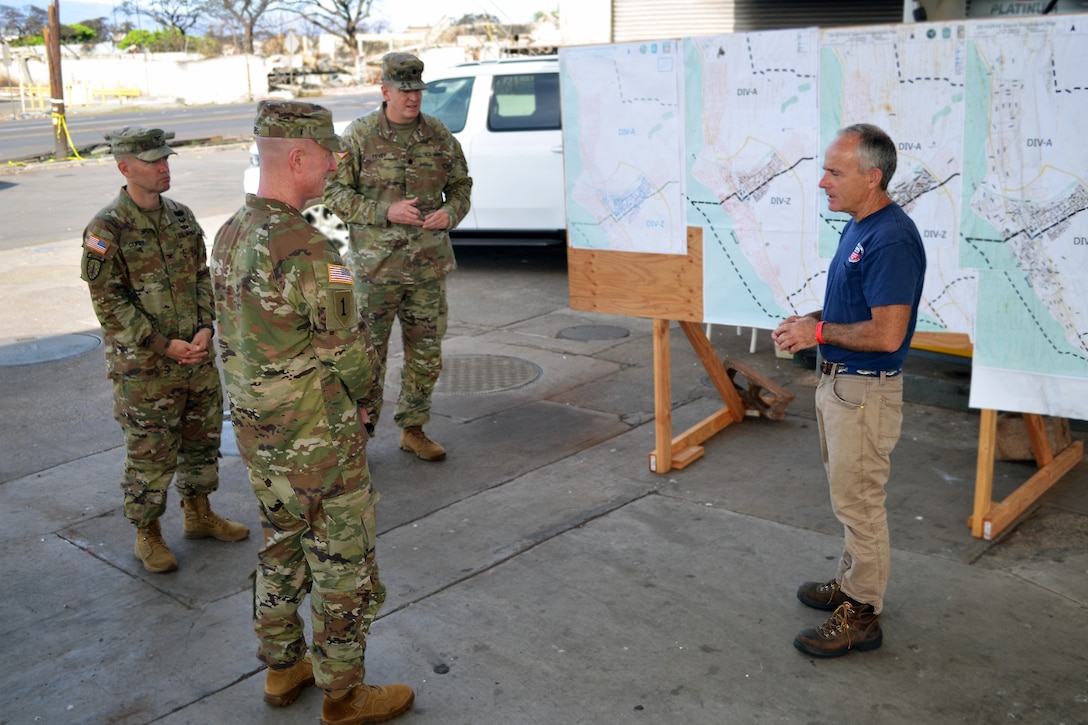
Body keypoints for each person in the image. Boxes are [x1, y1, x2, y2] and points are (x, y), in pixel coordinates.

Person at [211, 100, 413, 725]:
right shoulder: (306, 245)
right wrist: (362, 409)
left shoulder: (231, 231)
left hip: (256, 433)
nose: (333, 167)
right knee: (342, 560)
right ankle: (344, 694)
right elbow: (348, 351)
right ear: (297, 157)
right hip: (316, 437)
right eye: (327, 156)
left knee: (281, 546)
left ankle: (281, 666)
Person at [771, 123, 926, 658]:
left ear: (873, 176)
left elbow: (886, 334)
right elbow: (856, 309)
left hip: (864, 392)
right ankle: (851, 586)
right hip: (842, 387)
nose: (822, 183)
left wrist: (816, 333)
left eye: (835, 172)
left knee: (860, 505)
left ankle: (862, 615)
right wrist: (812, 319)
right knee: (848, 500)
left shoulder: (891, 239)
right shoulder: (860, 225)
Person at [81, 126, 249, 575]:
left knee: (201, 439)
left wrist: (205, 329)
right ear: (124, 168)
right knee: (150, 451)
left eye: (166, 159)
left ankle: (199, 514)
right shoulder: (105, 229)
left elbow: (200, 276)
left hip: (194, 357)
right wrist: (161, 344)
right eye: (153, 161)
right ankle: (148, 533)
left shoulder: (181, 218)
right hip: (145, 368)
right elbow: (108, 300)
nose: (163, 167)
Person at [324, 51, 473, 462]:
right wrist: (382, 211)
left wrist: (451, 213)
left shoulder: (439, 136)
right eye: (404, 91)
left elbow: (461, 186)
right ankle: (358, 439)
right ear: (385, 90)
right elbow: (333, 192)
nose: (413, 98)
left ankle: (414, 429)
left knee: (425, 355)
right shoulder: (358, 136)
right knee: (365, 360)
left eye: (417, 91)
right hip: (375, 271)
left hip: (427, 268)